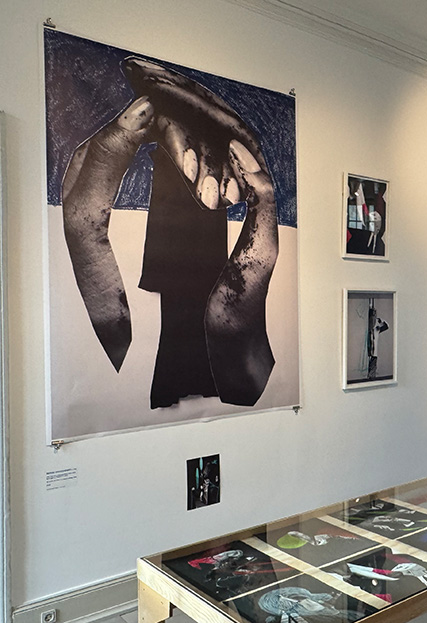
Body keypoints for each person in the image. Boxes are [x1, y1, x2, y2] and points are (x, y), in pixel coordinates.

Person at [61, 57, 278, 408]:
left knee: (184, 310)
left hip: (194, 232)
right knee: (180, 313)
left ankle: (190, 374)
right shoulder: (182, 161)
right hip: (184, 229)